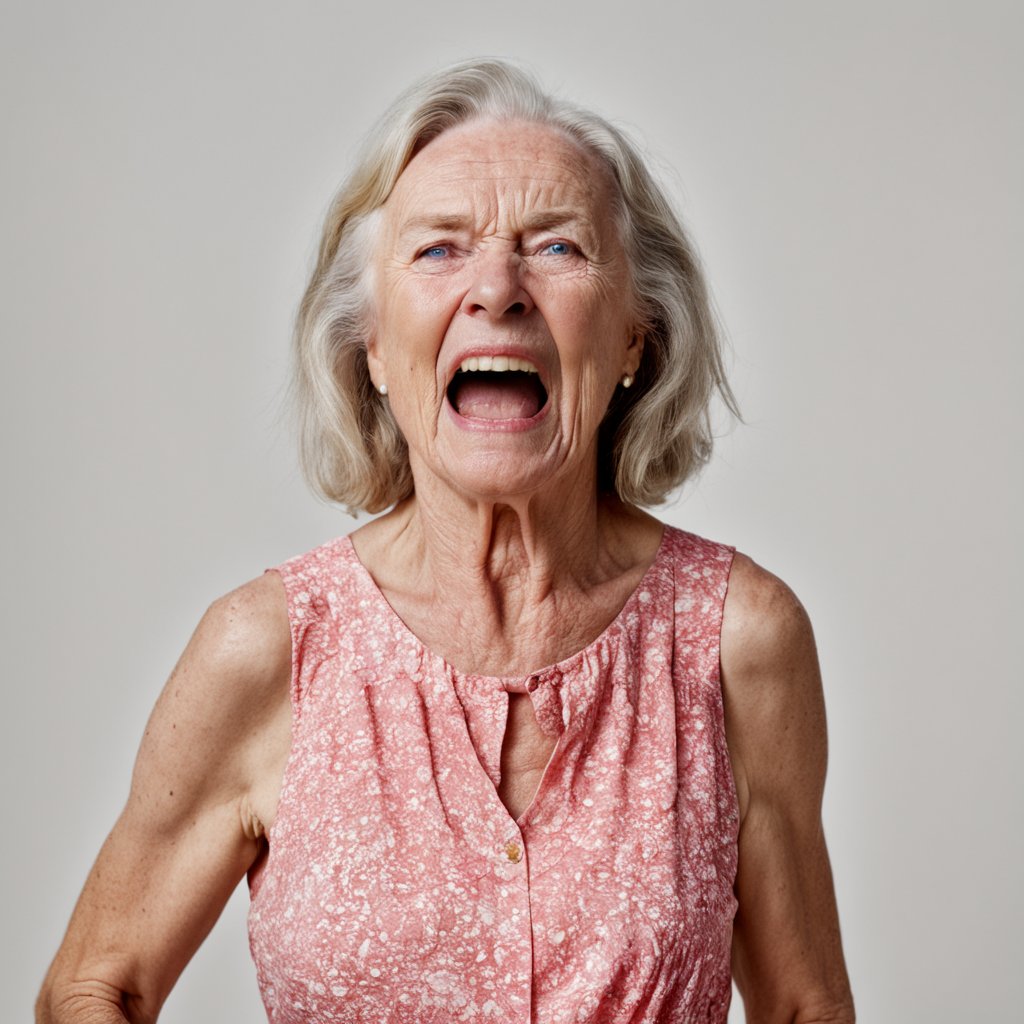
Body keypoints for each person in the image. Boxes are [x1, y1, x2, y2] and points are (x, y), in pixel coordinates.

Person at [37, 59, 855, 1023]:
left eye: (555, 248)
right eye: (438, 251)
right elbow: (98, 988)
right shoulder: (268, 651)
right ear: (374, 345)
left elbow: (806, 1007)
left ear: (636, 337)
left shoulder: (738, 641)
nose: (497, 290)